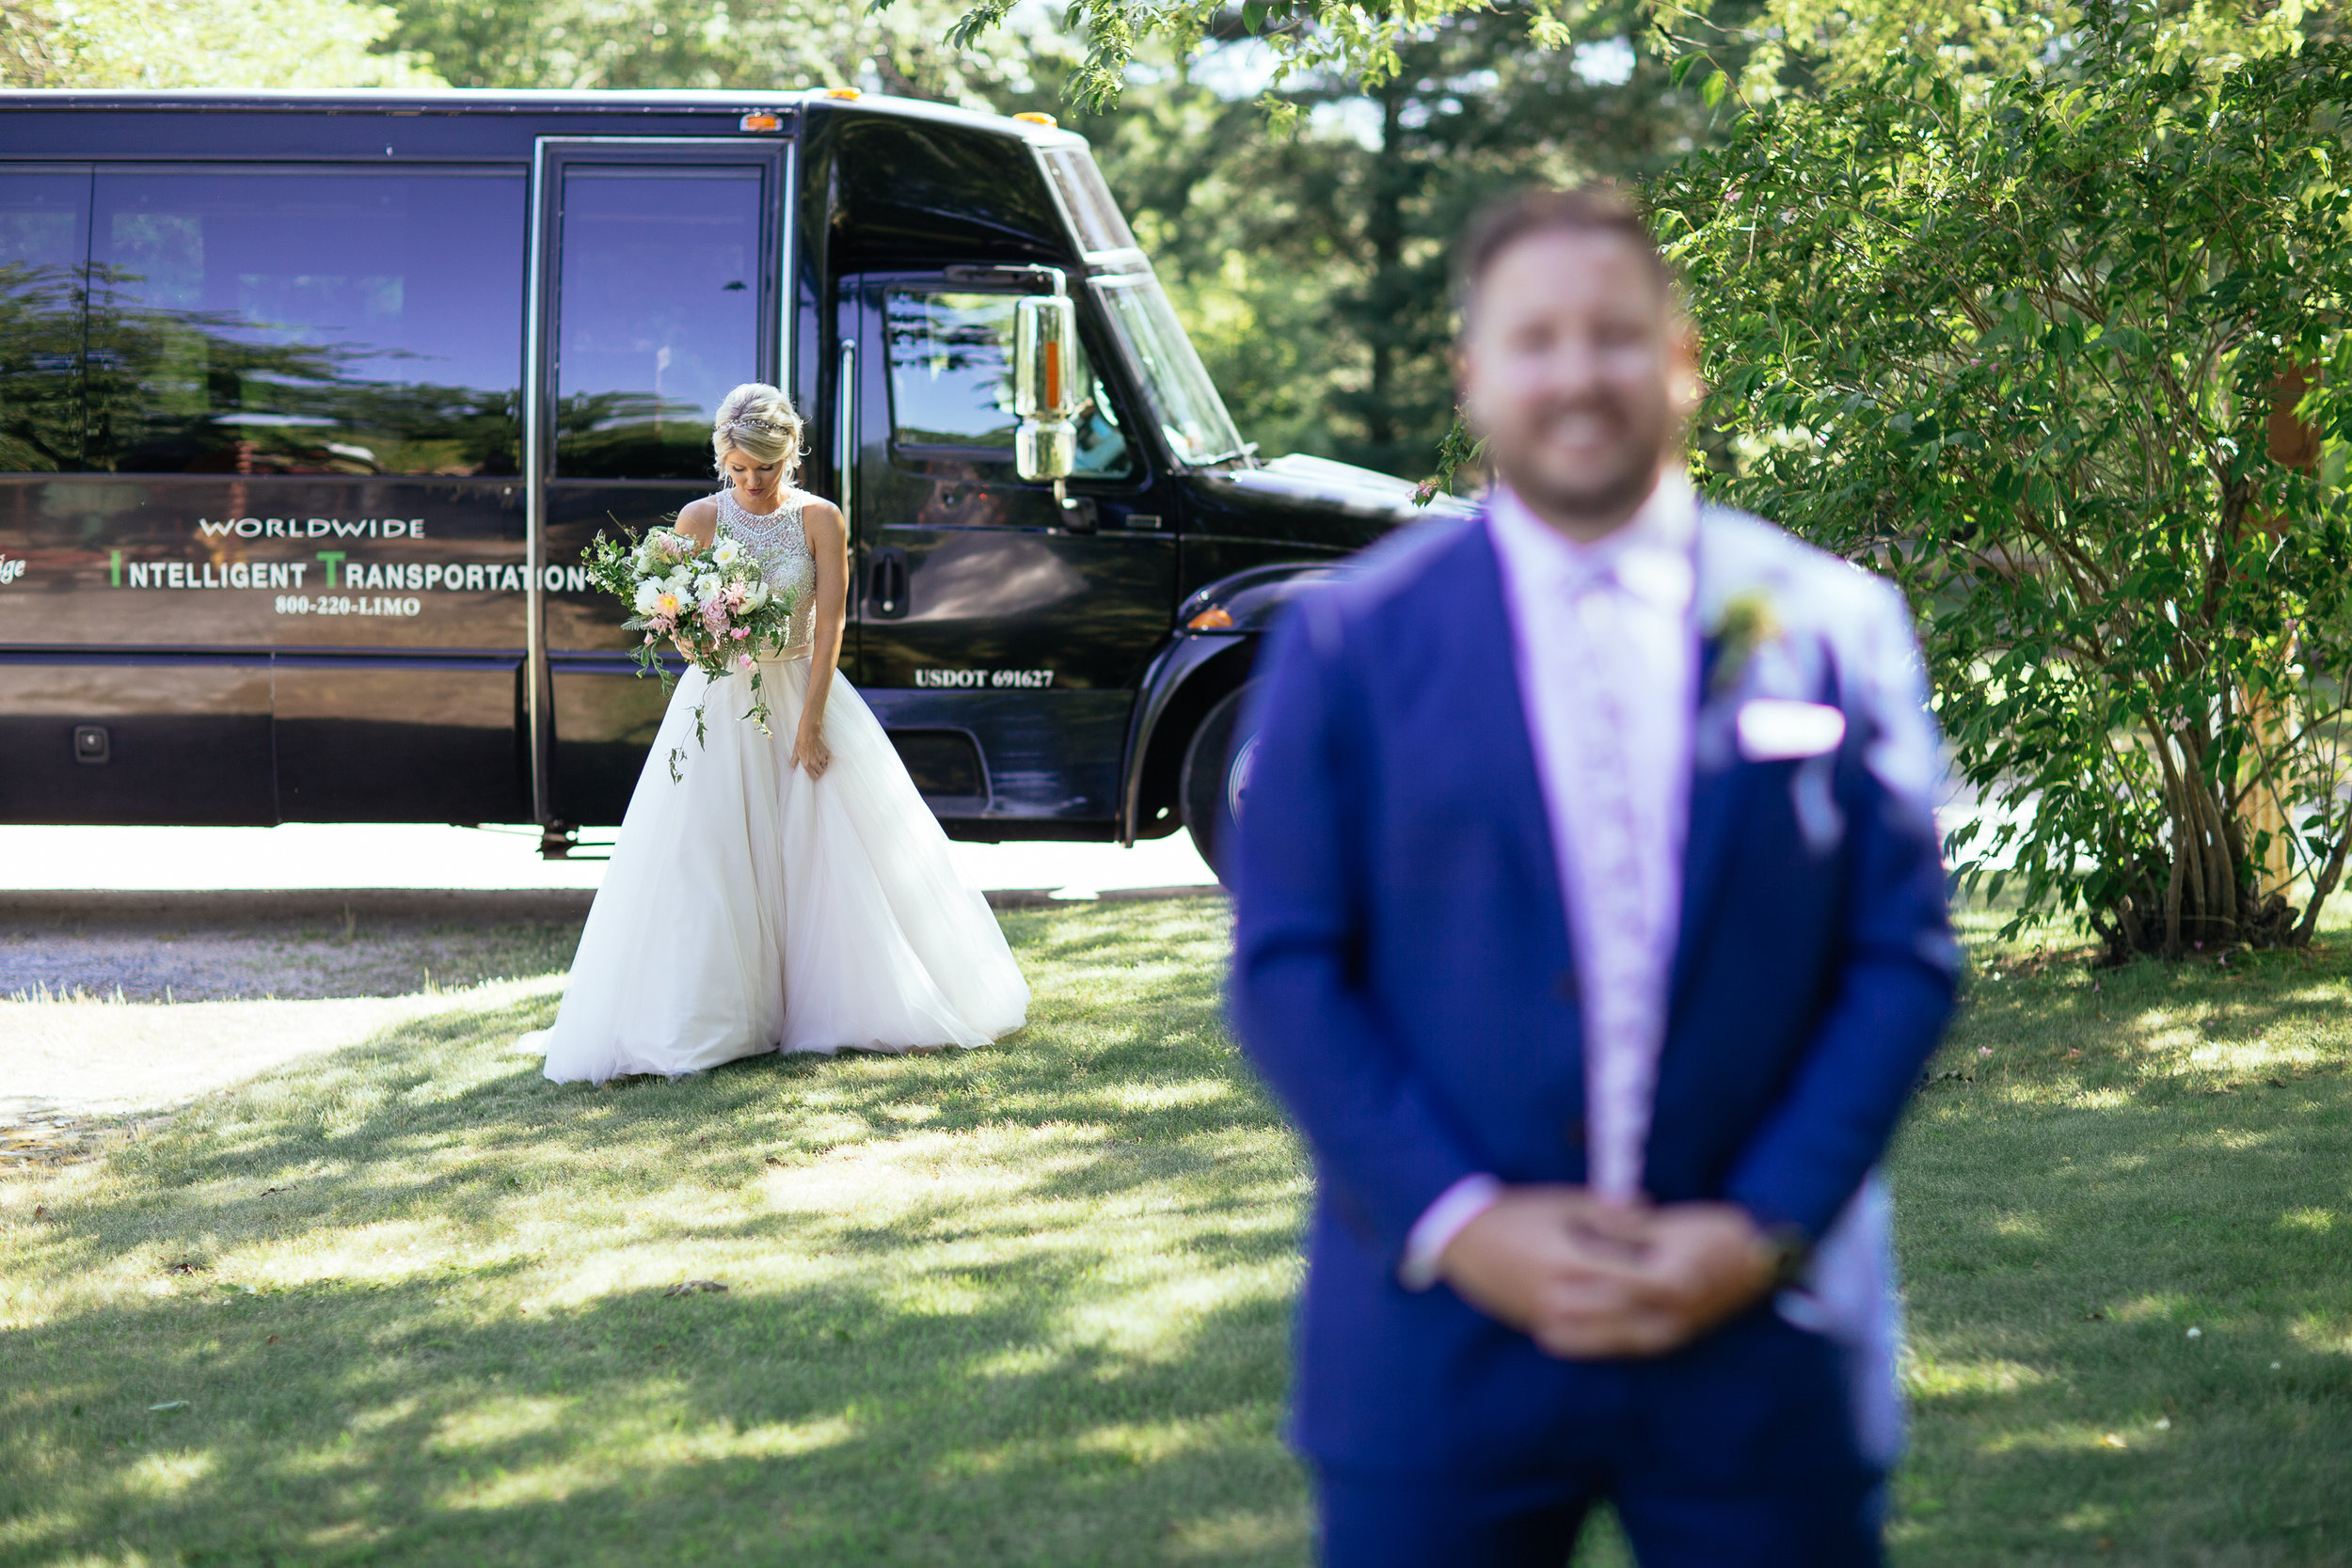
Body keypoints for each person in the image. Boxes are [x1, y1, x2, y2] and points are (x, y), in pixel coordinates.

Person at [1229, 187, 1957, 1566]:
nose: (1577, 373)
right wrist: (1466, 1221)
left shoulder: (1836, 623)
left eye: (1614, 334)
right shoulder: (1348, 643)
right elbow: (1287, 968)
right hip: (1437, 1350)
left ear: (1680, 358)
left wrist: (1758, 1227)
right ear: (1475, 375)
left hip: (1765, 1345)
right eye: (1535, 338)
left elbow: (1901, 957)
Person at [528, 383, 1028, 1084]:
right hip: (720, 697)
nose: (752, 482)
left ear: (790, 453)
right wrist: (693, 635)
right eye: (738, 469)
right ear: (722, 461)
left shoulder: (820, 518)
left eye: (764, 467)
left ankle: (837, 1004)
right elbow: (673, 618)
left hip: (801, 688)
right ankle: (710, 1020)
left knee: (823, 850)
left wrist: (812, 722)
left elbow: (831, 626)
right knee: (707, 854)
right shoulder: (700, 518)